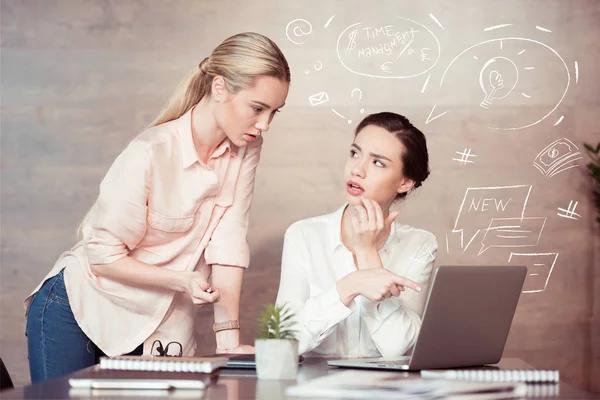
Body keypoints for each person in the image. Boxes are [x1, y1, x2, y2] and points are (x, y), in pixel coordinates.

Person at [24, 32, 290, 382]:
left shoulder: (246, 149)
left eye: (274, 112)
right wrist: (180, 280)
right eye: (257, 108)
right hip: (77, 308)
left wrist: (229, 340)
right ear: (220, 88)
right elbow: (102, 256)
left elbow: (228, 242)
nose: (264, 124)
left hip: (155, 322)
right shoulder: (150, 152)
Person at [275, 112, 437, 358]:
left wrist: (367, 253)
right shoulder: (304, 235)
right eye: (354, 153)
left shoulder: (420, 244)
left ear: (404, 183)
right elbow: (281, 340)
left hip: (386, 390)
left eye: (378, 163)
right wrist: (348, 287)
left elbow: (398, 347)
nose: (357, 169)